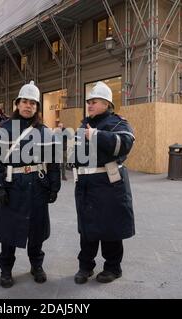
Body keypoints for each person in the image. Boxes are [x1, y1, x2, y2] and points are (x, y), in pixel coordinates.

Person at [0, 81, 61, 288]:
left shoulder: (45, 132)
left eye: (33, 103)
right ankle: (6, 270)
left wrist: (54, 186)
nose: (28, 106)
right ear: (17, 104)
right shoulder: (3, 130)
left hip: (38, 186)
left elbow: (53, 161)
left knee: (37, 231)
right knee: (9, 232)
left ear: (37, 108)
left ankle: (36, 265)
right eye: (25, 102)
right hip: (13, 186)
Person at [73, 81, 135, 284]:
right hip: (86, 185)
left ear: (107, 104)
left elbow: (125, 143)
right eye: (88, 101)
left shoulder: (117, 123)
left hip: (109, 185)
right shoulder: (84, 125)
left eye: (94, 101)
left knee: (111, 229)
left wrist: (96, 135)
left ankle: (113, 268)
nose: (89, 104)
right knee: (87, 229)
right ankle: (85, 267)